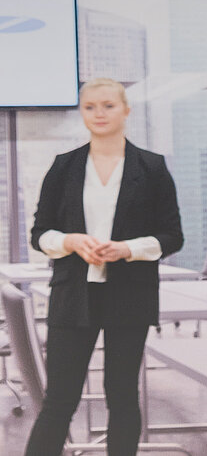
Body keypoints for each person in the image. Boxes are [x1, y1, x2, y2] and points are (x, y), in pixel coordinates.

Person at [25, 77, 184, 456]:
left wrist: (126, 249)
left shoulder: (152, 167)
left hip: (129, 295)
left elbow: (172, 236)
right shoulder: (64, 167)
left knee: (123, 396)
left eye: (108, 105)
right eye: (90, 106)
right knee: (60, 399)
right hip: (72, 296)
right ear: (82, 113)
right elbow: (39, 232)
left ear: (126, 110)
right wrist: (71, 241)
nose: (99, 113)